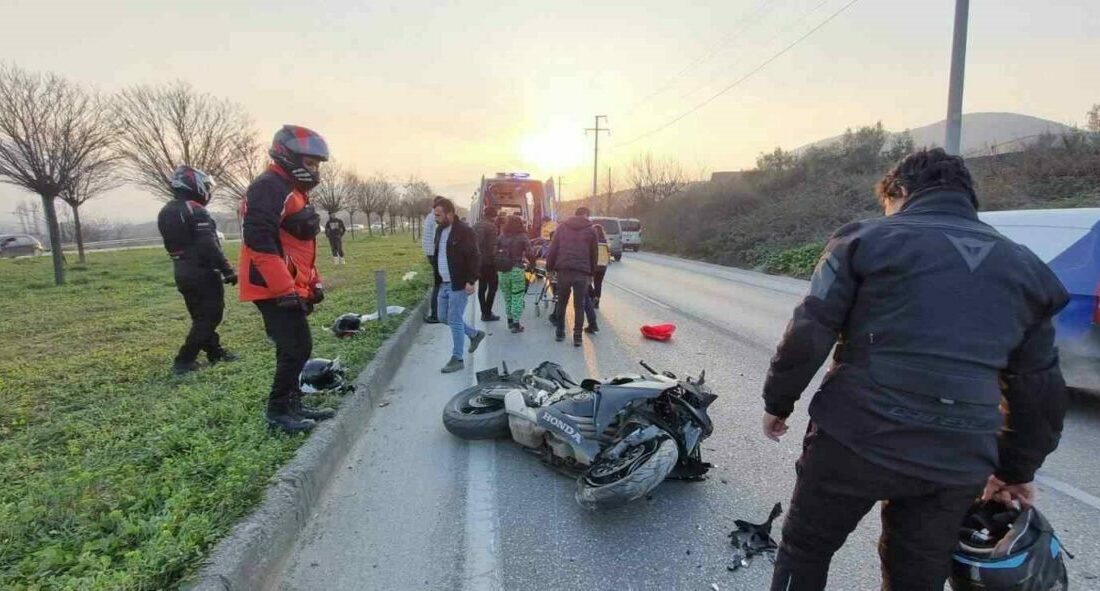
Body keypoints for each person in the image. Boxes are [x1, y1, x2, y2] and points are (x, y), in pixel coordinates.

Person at [762, 148, 1070, 591]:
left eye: (888, 205)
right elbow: (1038, 387)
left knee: (806, 549)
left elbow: (811, 329)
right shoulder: (1026, 269)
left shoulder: (862, 241)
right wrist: (1016, 470)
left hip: (853, 438)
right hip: (957, 458)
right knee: (916, 576)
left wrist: (778, 400)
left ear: (900, 191)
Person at [239, 124, 336, 434]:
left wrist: (312, 283)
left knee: (294, 347)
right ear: (289, 156)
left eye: (317, 164)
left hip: (288, 284)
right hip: (270, 286)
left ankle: (293, 404)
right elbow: (259, 239)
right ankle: (278, 412)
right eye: (310, 163)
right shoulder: (269, 187)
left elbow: (298, 246)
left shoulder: (294, 191)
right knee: (296, 347)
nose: (315, 170)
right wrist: (284, 289)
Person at [157, 165, 239, 375]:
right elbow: (208, 244)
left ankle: (215, 352)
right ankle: (184, 360)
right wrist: (227, 268)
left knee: (200, 316)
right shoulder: (196, 209)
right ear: (194, 185)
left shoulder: (167, 210)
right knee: (211, 316)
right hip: (202, 270)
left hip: (181, 269)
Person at [432, 197, 487, 373]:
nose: (436, 218)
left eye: (439, 215)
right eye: (435, 214)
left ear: (450, 213)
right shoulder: (440, 230)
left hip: (459, 284)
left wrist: (471, 281)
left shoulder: (465, 231)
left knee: (454, 319)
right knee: (442, 317)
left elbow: (475, 257)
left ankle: (458, 358)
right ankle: (473, 334)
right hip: (443, 283)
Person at [546, 207, 598, 346]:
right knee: (579, 305)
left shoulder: (562, 228)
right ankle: (577, 337)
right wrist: (592, 273)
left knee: (562, 302)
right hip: (582, 272)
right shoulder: (591, 230)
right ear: (586, 216)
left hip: (564, 270)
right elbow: (594, 254)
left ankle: (560, 332)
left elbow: (553, 249)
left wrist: (549, 268)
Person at [496, 214, 534, 333]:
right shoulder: (522, 236)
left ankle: (510, 321)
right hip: (516, 270)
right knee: (517, 296)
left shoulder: (501, 236)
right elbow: (530, 253)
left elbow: (495, 251)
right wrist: (532, 264)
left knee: (507, 297)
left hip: (502, 271)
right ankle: (516, 324)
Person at [580, 223, 612, 333]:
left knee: (587, 283)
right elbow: (609, 253)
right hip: (603, 266)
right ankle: (597, 301)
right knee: (599, 284)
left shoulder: (592, 241)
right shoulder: (605, 242)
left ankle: (592, 296)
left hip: (594, 265)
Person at [474, 206, 501, 321]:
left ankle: (483, 311)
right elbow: (493, 247)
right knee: (493, 287)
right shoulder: (492, 227)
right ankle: (487, 313)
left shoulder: (476, 225)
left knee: (481, 287)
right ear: (494, 216)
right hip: (489, 262)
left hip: (478, 261)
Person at [422, 196, 445, 324]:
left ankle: (437, 313)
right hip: (435, 253)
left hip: (430, 253)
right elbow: (438, 238)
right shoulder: (436, 219)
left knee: (439, 284)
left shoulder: (429, 217)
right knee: (438, 285)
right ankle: (436, 314)